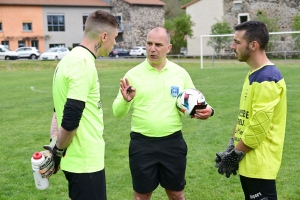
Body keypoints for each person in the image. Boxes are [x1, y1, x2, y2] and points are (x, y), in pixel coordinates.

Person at [112, 27, 214, 200]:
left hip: (172, 143)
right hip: (142, 144)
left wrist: (209, 111)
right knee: (141, 196)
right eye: (149, 44)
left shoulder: (180, 73)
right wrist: (125, 100)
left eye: (158, 44)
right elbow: (117, 112)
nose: (152, 49)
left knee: (176, 193)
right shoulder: (133, 74)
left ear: (169, 47)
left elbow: (194, 99)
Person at [38, 10, 119, 200]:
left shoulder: (69, 59)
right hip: (85, 162)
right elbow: (71, 118)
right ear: (104, 36)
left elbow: (57, 110)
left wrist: (54, 146)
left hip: (77, 161)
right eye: (114, 38)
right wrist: (57, 151)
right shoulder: (83, 63)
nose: (115, 43)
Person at [215, 20, 287, 200]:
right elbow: (244, 117)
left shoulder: (267, 79)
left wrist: (235, 155)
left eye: (237, 42)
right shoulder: (253, 74)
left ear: (253, 45)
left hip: (260, 165)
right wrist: (231, 146)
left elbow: (257, 129)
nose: (232, 46)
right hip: (248, 162)